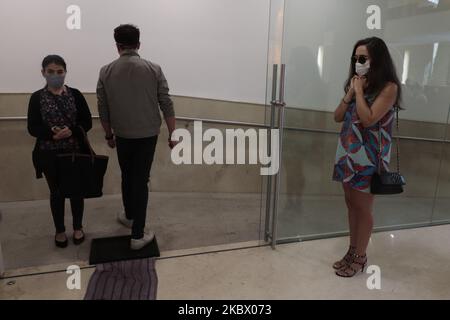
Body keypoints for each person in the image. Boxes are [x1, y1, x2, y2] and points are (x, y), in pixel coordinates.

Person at [97, 24, 176, 250]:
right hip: (148, 135)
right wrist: (173, 134)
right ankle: (137, 235)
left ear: (117, 46)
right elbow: (166, 103)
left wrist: (109, 135)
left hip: (122, 135)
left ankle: (130, 215)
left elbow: (103, 107)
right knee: (141, 180)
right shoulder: (154, 69)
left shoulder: (106, 71)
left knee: (127, 175)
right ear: (139, 45)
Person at [332, 37, 402, 277]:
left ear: (377, 60)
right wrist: (351, 92)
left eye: (362, 58)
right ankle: (352, 250)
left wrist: (359, 92)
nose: (357, 63)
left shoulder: (388, 87)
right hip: (348, 153)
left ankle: (361, 257)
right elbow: (338, 116)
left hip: (369, 158)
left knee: (363, 207)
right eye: (355, 58)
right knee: (350, 203)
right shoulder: (357, 85)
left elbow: (369, 118)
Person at [27, 55, 92, 248]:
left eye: (59, 72)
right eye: (51, 72)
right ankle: (60, 230)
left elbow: (87, 121)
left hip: (75, 151)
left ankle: (78, 227)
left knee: (76, 191)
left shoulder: (76, 94)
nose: (55, 75)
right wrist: (51, 134)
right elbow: (32, 127)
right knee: (56, 192)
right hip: (49, 153)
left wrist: (72, 130)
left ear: (65, 72)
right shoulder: (37, 97)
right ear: (43, 73)